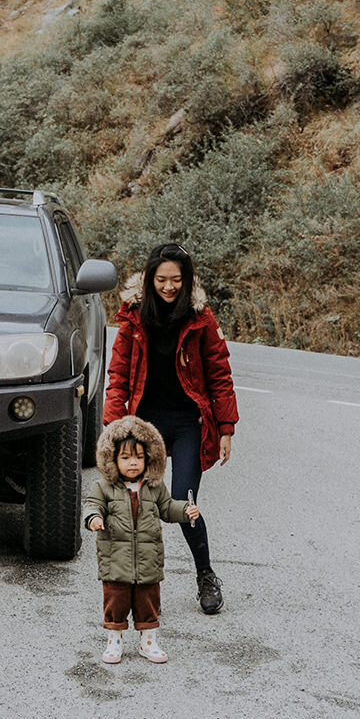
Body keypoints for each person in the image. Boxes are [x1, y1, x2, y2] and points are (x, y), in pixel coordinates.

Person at [103, 241, 239, 615]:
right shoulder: (133, 318)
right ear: (150, 280)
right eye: (161, 279)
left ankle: (206, 576)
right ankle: (137, 586)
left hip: (187, 425)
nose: (168, 287)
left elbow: (219, 375)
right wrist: (113, 426)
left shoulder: (200, 319)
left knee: (182, 502)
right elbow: (117, 375)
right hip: (144, 427)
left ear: (187, 279)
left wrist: (225, 427)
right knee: (133, 507)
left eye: (176, 279)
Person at [84, 415, 199, 664]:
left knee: (148, 601)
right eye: (125, 458)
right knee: (116, 601)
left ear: (149, 458)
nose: (132, 463)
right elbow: (92, 505)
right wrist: (93, 518)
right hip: (115, 560)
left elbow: (167, 508)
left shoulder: (154, 487)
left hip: (148, 560)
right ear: (113, 459)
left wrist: (185, 510)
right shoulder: (103, 487)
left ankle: (149, 642)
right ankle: (114, 641)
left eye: (138, 457)